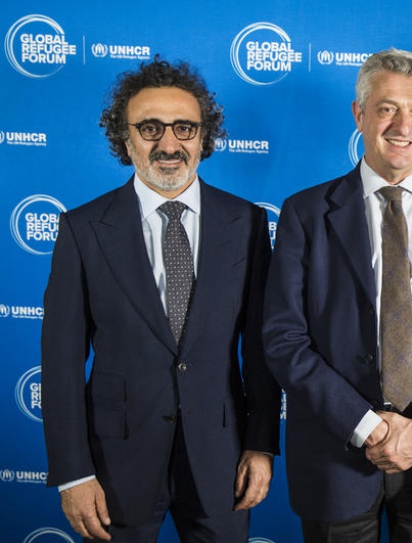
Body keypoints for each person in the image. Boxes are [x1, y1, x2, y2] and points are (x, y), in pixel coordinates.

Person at [262, 48, 412, 543]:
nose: (403, 124)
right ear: (360, 113)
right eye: (387, 107)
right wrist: (367, 425)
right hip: (337, 457)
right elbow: (284, 338)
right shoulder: (305, 214)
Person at [41, 57, 281, 542]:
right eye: (150, 128)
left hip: (222, 456)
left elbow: (260, 349)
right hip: (114, 463)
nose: (168, 144)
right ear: (124, 138)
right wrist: (73, 472)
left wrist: (261, 445)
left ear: (203, 137)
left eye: (184, 128)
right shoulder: (82, 229)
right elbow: (61, 363)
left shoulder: (248, 224)